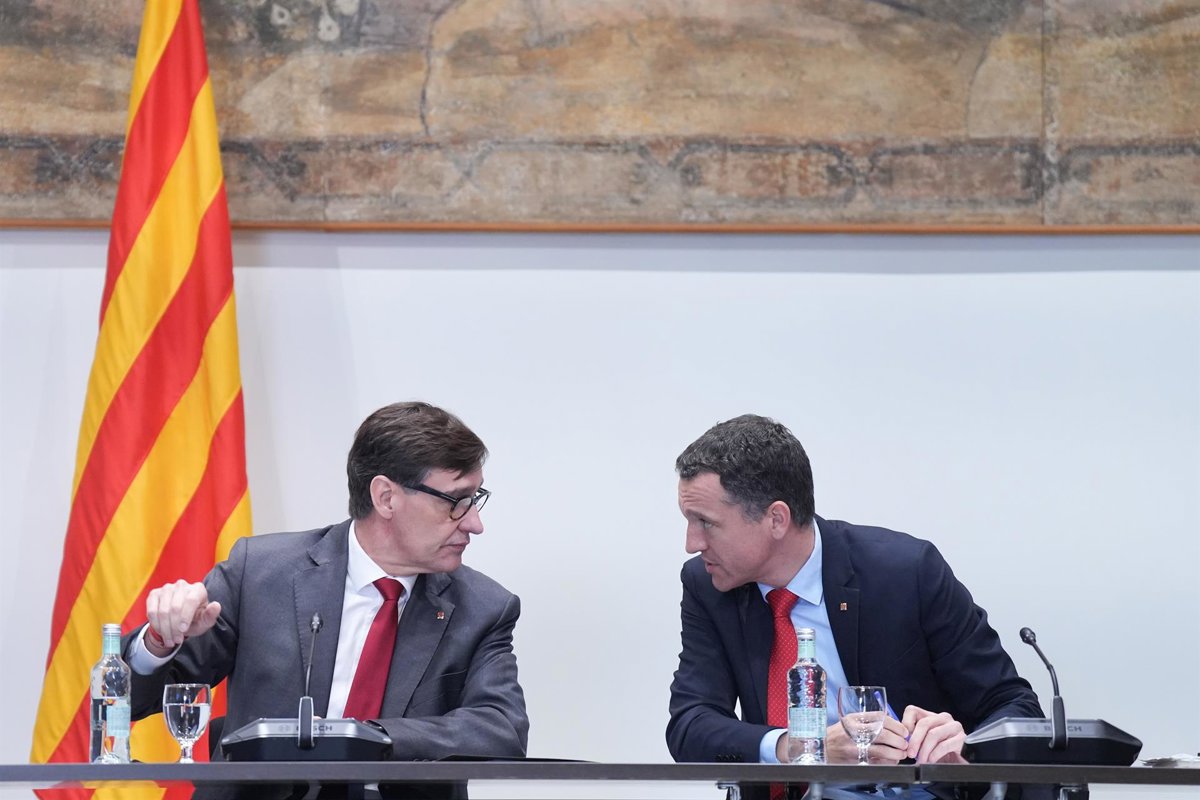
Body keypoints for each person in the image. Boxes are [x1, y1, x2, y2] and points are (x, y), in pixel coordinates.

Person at [124, 401, 528, 773]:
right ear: (386, 497)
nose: (474, 523)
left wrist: (362, 738)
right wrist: (159, 641)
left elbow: (501, 729)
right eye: (456, 501)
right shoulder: (260, 574)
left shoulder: (483, 608)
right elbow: (134, 701)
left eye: (475, 498)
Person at [667, 414, 1041, 779]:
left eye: (706, 522)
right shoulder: (707, 586)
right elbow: (690, 725)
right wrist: (803, 747)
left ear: (776, 519)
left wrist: (965, 745)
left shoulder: (906, 572)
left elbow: (1014, 707)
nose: (691, 543)